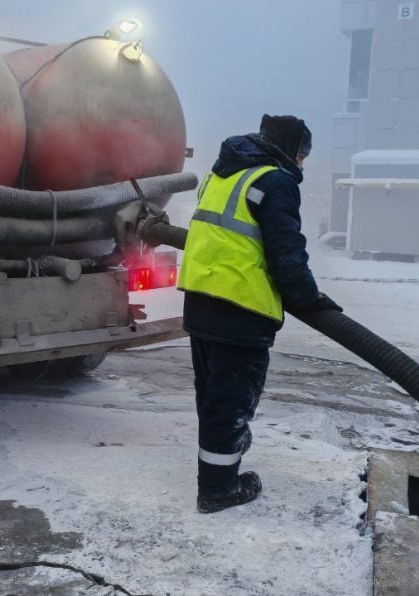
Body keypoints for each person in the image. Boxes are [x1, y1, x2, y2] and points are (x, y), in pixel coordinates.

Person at [178, 114, 342, 514]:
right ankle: (218, 490)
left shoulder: (223, 174)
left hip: (201, 301)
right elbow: (287, 254)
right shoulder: (275, 182)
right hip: (240, 309)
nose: (302, 163)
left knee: (214, 396)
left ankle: (226, 449)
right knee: (230, 403)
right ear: (291, 150)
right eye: (302, 155)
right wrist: (310, 298)